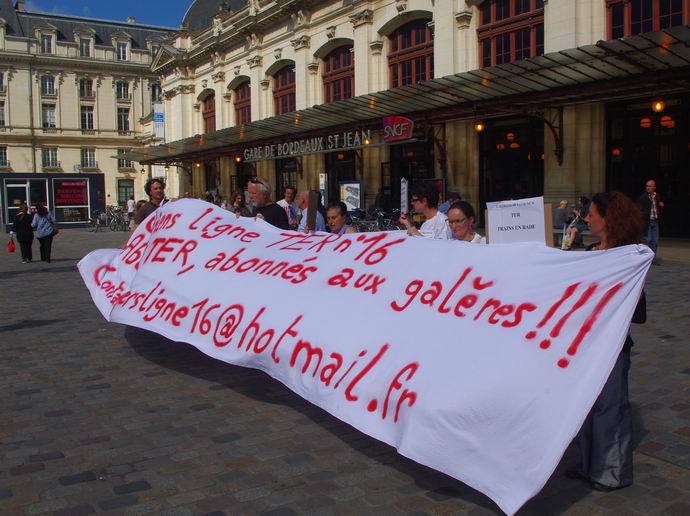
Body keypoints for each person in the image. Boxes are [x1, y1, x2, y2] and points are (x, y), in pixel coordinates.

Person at [569, 191, 646, 492]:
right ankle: (585, 463)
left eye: (591, 214)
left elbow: (638, 313)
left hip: (612, 347)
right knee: (582, 404)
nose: (586, 218)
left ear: (608, 219)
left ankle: (610, 470)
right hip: (583, 346)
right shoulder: (589, 252)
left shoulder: (629, 258)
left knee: (610, 407)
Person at [638, 179, 664, 260]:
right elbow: (639, 209)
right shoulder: (643, 197)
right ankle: (645, 259)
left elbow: (657, 206)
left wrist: (660, 204)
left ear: (654, 187)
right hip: (647, 221)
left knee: (655, 241)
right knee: (647, 240)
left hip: (655, 221)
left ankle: (653, 258)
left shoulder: (657, 196)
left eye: (650, 186)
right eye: (647, 186)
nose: (648, 188)